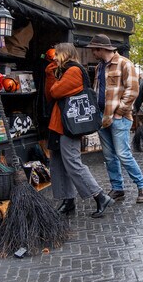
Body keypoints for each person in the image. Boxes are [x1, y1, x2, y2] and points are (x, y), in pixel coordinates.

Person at [44, 43, 113, 218]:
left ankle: (100, 196)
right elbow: (49, 94)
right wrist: (50, 72)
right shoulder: (61, 71)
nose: (54, 57)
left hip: (70, 125)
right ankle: (67, 200)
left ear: (64, 54)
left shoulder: (74, 70)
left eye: (57, 54)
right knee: (57, 162)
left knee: (72, 162)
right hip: (58, 124)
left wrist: (53, 70)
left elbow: (56, 92)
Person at [87, 34, 143, 204]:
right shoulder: (100, 67)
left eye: (94, 49)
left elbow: (132, 91)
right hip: (102, 116)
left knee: (123, 154)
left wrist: (119, 112)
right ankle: (118, 188)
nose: (92, 52)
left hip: (119, 118)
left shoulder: (124, 63)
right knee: (109, 156)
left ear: (101, 49)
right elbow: (97, 89)